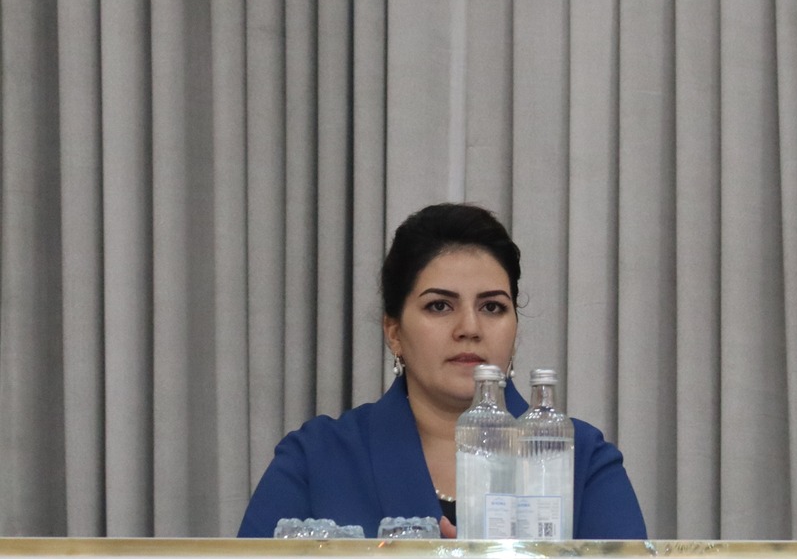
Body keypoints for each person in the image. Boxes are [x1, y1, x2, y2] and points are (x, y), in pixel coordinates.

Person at [238, 203, 647, 538]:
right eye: (439, 306)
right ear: (394, 332)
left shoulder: (581, 457)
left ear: (515, 329)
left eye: (492, 307)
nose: (469, 328)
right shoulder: (317, 458)